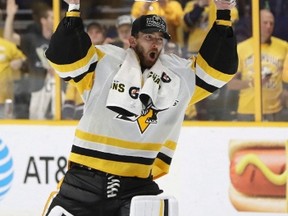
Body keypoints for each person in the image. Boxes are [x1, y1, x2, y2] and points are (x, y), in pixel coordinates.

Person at [42, 0, 238, 215]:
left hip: (136, 186)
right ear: (132, 40)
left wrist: (223, 14)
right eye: (148, 37)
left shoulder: (177, 76)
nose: (155, 44)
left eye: (159, 39)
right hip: (84, 182)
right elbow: (64, 58)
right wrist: (73, 9)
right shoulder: (105, 61)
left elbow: (217, 70)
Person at [227, 9, 288, 121]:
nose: (269, 26)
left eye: (271, 23)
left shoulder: (283, 47)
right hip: (247, 111)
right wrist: (252, 83)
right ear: (256, 23)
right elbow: (230, 84)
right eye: (265, 23)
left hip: (275, 111)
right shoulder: (242, 48)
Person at [4, 0, 55, 119]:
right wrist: (10, 15)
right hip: (36, 89)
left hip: (57, 90)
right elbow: (9, 37)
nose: (56, 19)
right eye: (52, 17)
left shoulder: (61, 41)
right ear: (43, 20)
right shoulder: (32, 39)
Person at [0, 37, 26, 118]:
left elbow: (24, 58)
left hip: (6, 97)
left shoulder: (6, 45)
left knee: (7, 124)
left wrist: (20, 62)